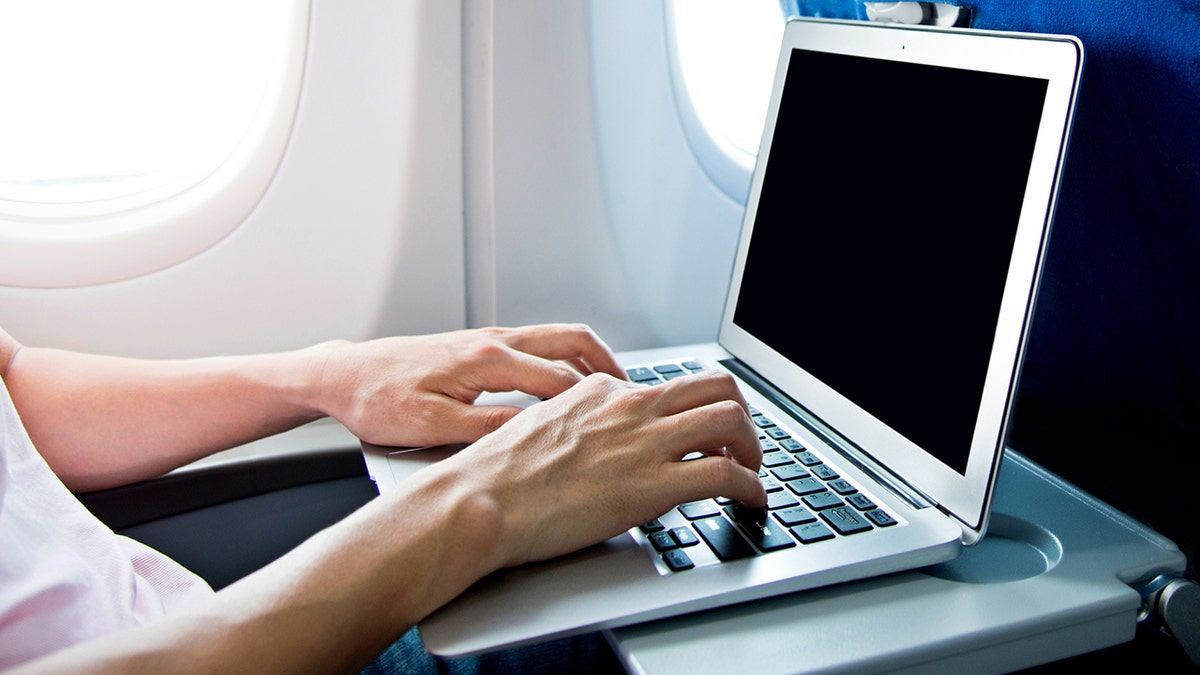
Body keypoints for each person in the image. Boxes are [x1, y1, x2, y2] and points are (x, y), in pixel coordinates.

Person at [0, 323, 766, 672]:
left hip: (191, 626)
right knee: (710, 630)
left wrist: (330, 374)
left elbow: (13, 381)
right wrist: (479, 500)